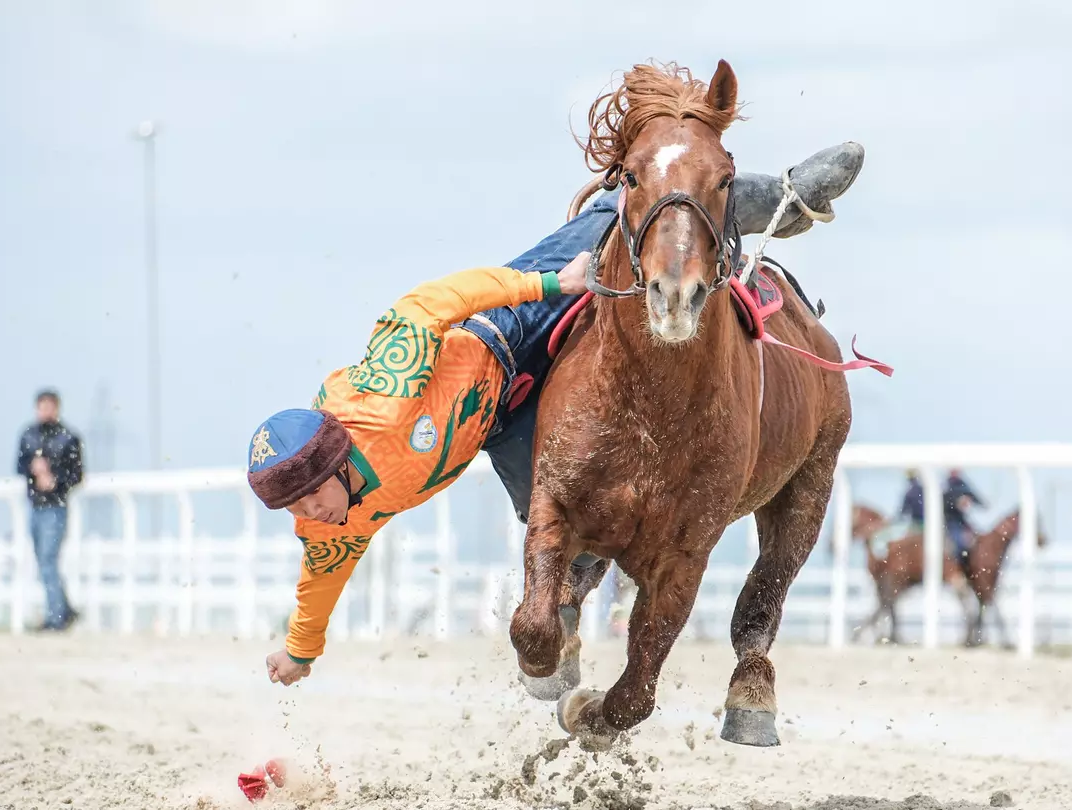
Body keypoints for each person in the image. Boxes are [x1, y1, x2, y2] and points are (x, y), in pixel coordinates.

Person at [248, 143, 867, 686]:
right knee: (558, 513)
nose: (309, 515)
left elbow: (424, 305)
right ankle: (570, 605)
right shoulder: (331, 526)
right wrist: (301, 651)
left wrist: (548, 287)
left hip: (506, 331)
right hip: (499, 424)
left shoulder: (383, 399)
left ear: (334, 460)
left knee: (607, 230)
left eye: (307, 499)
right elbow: (318, 581)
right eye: (295, 510)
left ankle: (779, 198)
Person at [16, 389, 84, 632]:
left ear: (56, 408)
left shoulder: (69, 438)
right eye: (41, 407)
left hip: (56, 507)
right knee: (43, 560)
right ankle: (65, 610)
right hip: (35, 506)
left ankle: (56, 618)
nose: (44, 411)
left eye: (49, 406)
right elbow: (19, 465)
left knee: (47, 560)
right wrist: (34, 470)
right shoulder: (28, 436)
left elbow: (77, 474)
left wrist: (56, 481)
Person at [942, 468, 985, 573]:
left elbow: (972, 497)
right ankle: (958, 569)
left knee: (978, 541)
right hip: (951, 522)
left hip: (962, 522)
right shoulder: (946, 486)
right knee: (959, 543)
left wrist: (982, 504)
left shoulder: (963, 485)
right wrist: (957, 502)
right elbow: (944, 502)